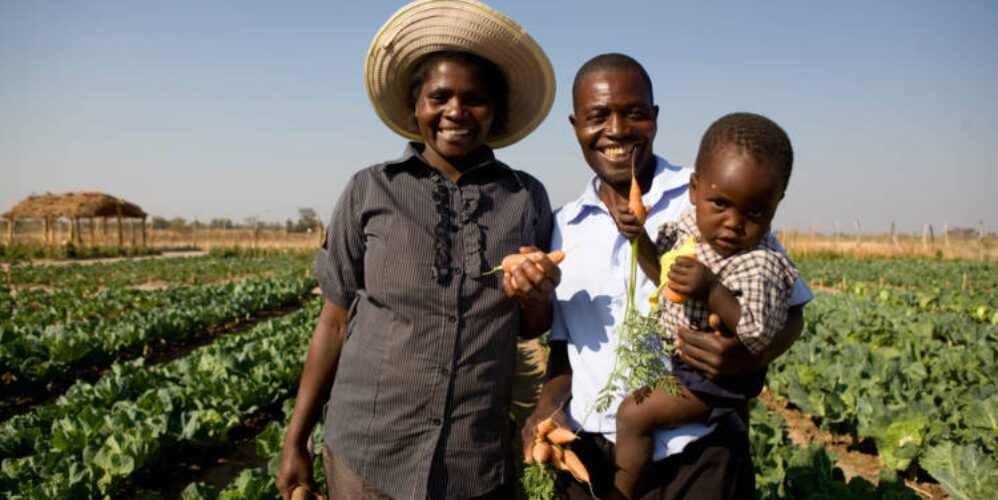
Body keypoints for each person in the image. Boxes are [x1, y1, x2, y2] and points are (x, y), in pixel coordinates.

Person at [276, 1, 559, 499]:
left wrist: (534, 294)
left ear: (495, 111)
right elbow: (334, 321)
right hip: (369, 453)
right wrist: (294, 439)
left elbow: (533, 326)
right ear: (415, 107)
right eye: (439, 96)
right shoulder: (370, 189)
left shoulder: (525, 197)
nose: (455, 111)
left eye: (474, 99)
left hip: (474, 460)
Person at [521, 53, 813, 500]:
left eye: (634, 114)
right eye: (598, 116)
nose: (617, 130)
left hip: (700, 454)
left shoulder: (714, 196)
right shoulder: (563, 225)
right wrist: (547, 408)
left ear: (655, 118)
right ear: (576, 125)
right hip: (595, 462)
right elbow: (564, 353)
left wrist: (747, 356)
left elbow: (790, 312)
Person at [611, 112, 801, 499]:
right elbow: (659, 270)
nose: (733, 223)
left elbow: (758, 334)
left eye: (754, 213)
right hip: (690, 366)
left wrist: (713, 290)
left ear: (776, 204)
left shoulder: (760, 262)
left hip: (718, 376)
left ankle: (620, 493)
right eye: (720, 204)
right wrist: (638, 238)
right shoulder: (690, 229)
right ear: (695, 190)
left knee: (634, 414)